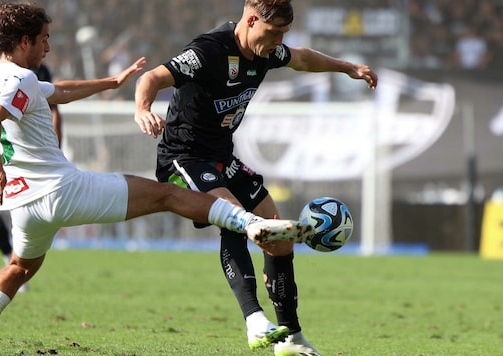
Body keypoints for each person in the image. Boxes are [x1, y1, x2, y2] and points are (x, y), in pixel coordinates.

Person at [0, 2, 315, 355]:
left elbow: (59, 92)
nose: (48, 46)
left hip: (24, 205)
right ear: (24, 41)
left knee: (19, 267)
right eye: (43, 38)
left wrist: (112, 82)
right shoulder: (20, 77)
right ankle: (251, 224)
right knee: (166, 195)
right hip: (62, 190)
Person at [133, 1, 378, 355]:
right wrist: (142, 109)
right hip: (183, 158)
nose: (278, 40)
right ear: (251, 20)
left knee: (277, 233)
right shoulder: (208, 52)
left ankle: (291, 338)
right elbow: (152, 78)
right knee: (237, 221)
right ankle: (254, 321)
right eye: (273, 31)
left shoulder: (266, 51)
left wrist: (348, 67)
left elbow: (304, 59)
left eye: (283, 33)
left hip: (221, 157)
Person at [0, 61, 62, 294]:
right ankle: (11, 258)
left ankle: (21, 266)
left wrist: (56, 146)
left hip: (31, 154)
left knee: (32, 209)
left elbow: (55, 109)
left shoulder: (37, 70)